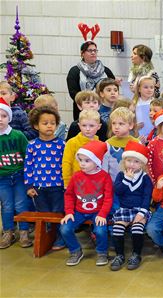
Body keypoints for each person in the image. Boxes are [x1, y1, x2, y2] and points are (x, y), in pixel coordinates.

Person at [60, 140, 113, 266]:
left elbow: (108, 198)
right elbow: (69, 195)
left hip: (98, 212)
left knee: (100, 231)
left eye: (87, 161)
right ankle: (76, 251)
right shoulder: (76, 176)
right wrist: (68, 212)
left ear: (96, 162)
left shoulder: (105, 177)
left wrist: (102, 214)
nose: (82, 164)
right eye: (80, 160)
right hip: (78, 212)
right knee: (65, 228)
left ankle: (102, 252)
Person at [24, 106, 66, 250]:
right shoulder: (32, 146)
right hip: (39, 188)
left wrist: (66, 185)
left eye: (52, 123)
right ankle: (47, 239)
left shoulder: (62, 144)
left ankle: (61, 238)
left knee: (58, 213)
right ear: (36, 125)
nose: (49, 126)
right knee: (44, 214)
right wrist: (29, 186)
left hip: (58, 187)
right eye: (45, 123)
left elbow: (65, 166)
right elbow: (28, 167)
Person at [110, 141, 153, 271]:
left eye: (136, 162)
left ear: (142, 164)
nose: (132, 164)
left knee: (137, 228)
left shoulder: (145, 178)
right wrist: (127, 179)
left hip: (140, 209)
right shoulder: (121, 175)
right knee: (117, 228)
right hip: (124, 209)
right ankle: (119, 255)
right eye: (129, 161)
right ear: (124, 161)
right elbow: (118, 191)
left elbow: (147, 197)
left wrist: (141, 213)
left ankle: (136, 254)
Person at [0, 98, 31, 249]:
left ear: (9, 118)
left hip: (19, 176)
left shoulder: (18, 135)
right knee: (6, 206)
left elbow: (27, 156)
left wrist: (28, 176)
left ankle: (24, 232)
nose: (0, 119)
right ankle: (8, 232)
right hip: (2, 178)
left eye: (3, 116)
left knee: (21, 204)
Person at [66, 37, 115, 120]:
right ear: (82, 53)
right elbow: (73, 93)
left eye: (95, 50)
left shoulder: (105, 70)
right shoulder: (75, 71)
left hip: (104, 110)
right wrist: (89, 103)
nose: (93, 53)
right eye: (90, 50)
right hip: (83, 111)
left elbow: (113, 87)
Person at [62, 110, 102, 188]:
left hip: (95, 184)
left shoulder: (101, 144)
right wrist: (67, 182)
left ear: (99, 126)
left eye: (91, 126)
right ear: (79, 126)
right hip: (77, 183)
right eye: (84, 125)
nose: (87, 129)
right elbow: (66, 163)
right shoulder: (72, 143)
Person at [101, 107, 138, 181]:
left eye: (121, 124)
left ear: (130, 125)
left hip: (133, 184)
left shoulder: (137, 143)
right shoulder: (107, 144)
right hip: (113, 184)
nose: (116, 127)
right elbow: (104, 168)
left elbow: (141, 165)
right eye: (114, 123)